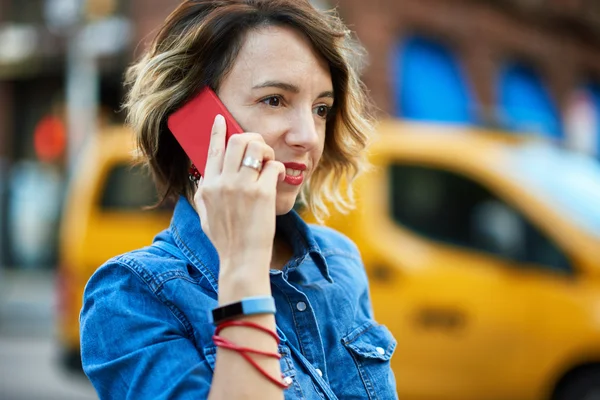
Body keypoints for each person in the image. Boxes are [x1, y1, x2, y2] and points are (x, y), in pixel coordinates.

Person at [79, 1, 398, 399]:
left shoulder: (339, 262)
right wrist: (243, 265)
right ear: (191, 116)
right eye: (275, 100)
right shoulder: (130, 297)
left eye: (321, 108)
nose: (308, 136)